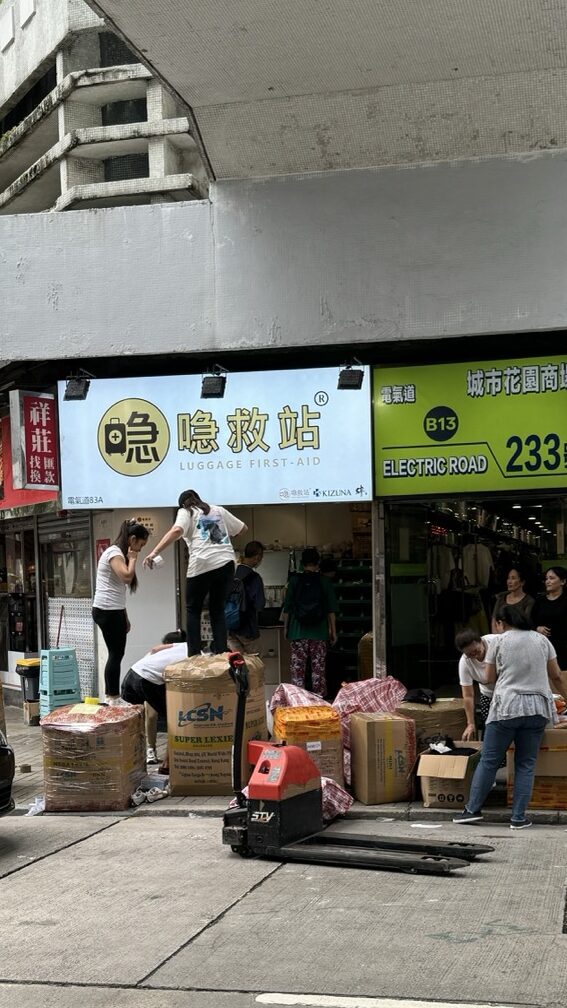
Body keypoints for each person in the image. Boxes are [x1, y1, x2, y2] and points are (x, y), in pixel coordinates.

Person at [453, 604, 564, 830]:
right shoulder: (543, 641)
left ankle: (472, 810)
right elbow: (556, 676)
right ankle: (518, 818)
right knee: (526, 764)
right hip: (537, 709)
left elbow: (489, 677)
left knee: (490, 761)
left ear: (501, 623)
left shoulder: (499, 642)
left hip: (506, 708)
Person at [143, 489, 247, 656]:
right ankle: (221, 650)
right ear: (198, 499)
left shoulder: (186, 511)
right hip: (226, 563)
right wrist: (225, 535)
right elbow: (243, 529)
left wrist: (154, 552)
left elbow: (177, 531)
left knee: (193, 608)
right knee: (217, 609)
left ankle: (194, 653)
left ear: (182, 504)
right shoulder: (218, 510)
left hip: (202, 564)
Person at [92, 519, 150, 705]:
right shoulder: (114, 553)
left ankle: (112, 696)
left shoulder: (116, 552)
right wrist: (133, 559)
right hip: (107, 610)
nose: (139, 550)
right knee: (116, 654)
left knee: (116, 653)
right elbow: (126, 576)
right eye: (140, 545)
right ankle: (113, 697)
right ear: (132, 539)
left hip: (112, 610)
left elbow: (119, 589)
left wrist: (124, 615)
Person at [121, 630, 187, 765]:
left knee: (133, 720)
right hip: (149, 680)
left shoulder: (180, 647)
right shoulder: (193, 652)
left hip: (132, 675)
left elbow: (155, 649)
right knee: (174, 720)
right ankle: (167, 760)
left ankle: (130, 757)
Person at [283, 547, 337, 698]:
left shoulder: (294, 581)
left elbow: (287, 608)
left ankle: (297, 699)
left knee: (298, 669)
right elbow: (331, 610)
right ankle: (318, 700)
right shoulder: (325, 582)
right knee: (318, 670)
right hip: (319, 633)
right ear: (318, 563)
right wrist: (333, 631)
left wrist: (286, 628)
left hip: (297, 632)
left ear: (302, 563)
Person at [455, 628, 500, 740]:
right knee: (490, 727)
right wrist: (470, 723)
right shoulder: (465, 662)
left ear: (481, 641)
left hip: (509, 691)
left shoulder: (496, 642)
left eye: (476, 651)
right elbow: (468, 695)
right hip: (488, 693)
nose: (474, 656)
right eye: (470, 654)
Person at [228, 541, 266, 650]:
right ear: (257, 557)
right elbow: (260, 605)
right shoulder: (255, 578)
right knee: (255, 663)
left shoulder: (231, 574)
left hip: (231, 628)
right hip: (248, 629)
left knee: (237, 663)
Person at [531, 565, 567, 670]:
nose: (548, 581)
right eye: (546, 578)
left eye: (552, 578)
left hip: (563, 648)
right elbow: (530, 622)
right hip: (543, 647)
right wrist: (537, 628)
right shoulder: (540, 601)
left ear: (563, 582)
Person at [491, 567, 534, 632]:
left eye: (513, 578)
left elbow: (525, 624)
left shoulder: (529, 601)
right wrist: (498, 638)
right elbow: (494, 621)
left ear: (522, 582)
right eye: (508, 578)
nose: (509, 581)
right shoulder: (501, 599)